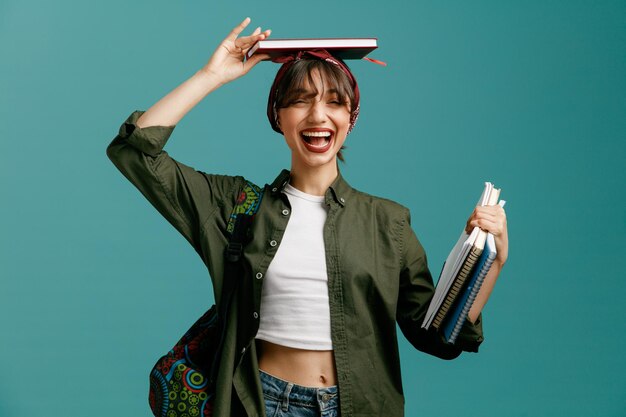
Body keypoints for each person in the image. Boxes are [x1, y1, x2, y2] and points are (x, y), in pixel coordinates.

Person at [107, 17, 508, 417]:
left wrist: (491, 263)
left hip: (360, 406)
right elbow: (135, 153)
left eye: (334, 102)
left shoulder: (389, 222)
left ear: (351, 118)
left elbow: (439, 339)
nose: (318, 115)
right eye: (300, 99)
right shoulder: (236, 206)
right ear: (278, 116)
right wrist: (212, 75)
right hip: (261, 401)